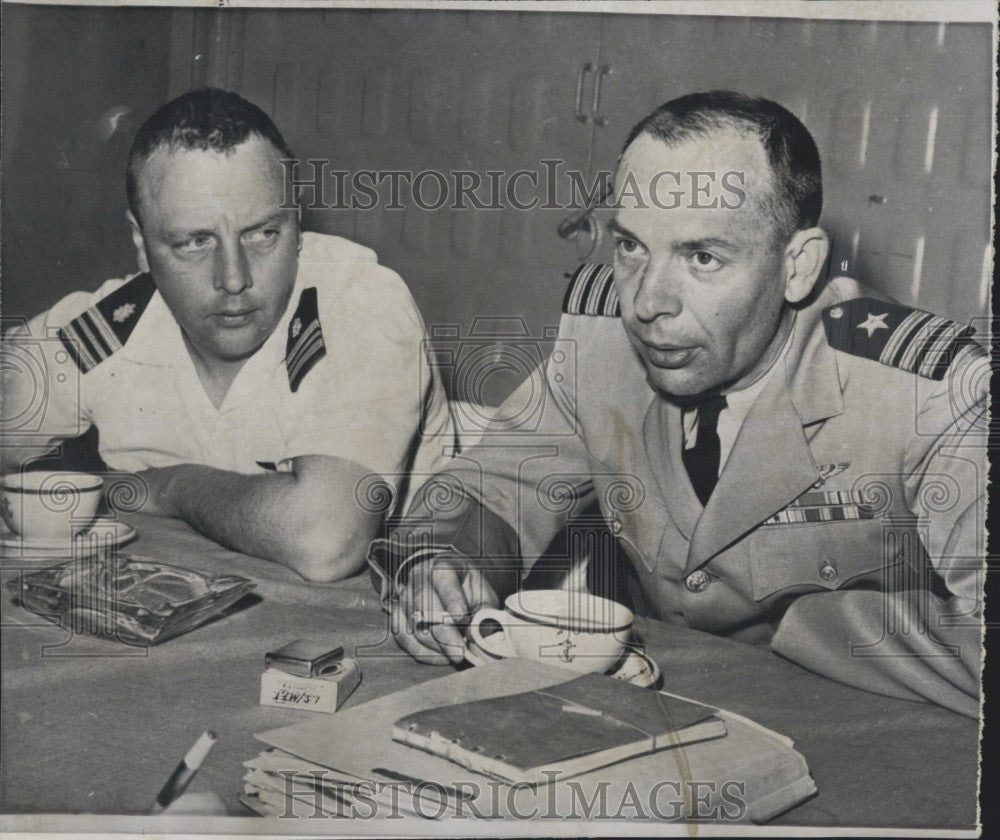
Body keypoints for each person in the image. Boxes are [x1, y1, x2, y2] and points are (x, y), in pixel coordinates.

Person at [371, 91, 987, 717]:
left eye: (702, 257)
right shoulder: (603, 336)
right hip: (649, 720)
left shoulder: (926, 395)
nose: (647, 303)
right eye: (633, 247)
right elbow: (493, 489)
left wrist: (806, 628)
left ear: (798, 267)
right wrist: (441, 563)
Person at [1, 88, 454, 582]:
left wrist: (170, 487)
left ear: (297, 218)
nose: (234, 279)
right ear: (140, 241)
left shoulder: (362, 301)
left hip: (369, 629)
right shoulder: (113, 323)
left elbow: (325, 540)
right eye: (194, 242)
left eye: (263, 233)